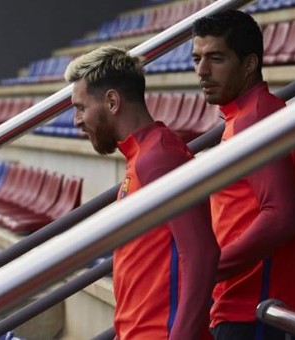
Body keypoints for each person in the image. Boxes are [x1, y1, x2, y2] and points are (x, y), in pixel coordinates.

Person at [64, 46, 219, 339]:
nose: (77, 120)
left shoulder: (159, 157)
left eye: (81, 107)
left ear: (111, 101)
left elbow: (201, 253)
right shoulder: (143, 155)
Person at [191, 10, 295, 340]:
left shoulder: (254, 119)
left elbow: (280, 217)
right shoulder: (251, 114)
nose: (202, 71)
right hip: (252, 309)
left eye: (215, 58)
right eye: (197, 59)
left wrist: (206, 269)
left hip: (256, 314)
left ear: (249, 64)